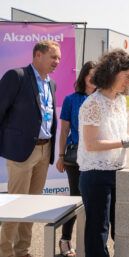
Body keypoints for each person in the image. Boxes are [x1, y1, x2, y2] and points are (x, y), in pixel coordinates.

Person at [77, 49, 129, 257]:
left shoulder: (120, 100)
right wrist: (125, 142)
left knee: (121, 227)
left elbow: (118, 132)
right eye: (127, 76)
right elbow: (91, 144)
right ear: (112, 72)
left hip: (118, 171)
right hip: (96, 174)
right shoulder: (93, 103)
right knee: (97, 231)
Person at [0, 40, 61, 257]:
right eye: (53, 57)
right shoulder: (16, 76)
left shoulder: (51, 84)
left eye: (59, 58)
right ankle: (5, 252)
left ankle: (22, 251)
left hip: (45, 151)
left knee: (31, 205)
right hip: (22, 152)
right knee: (16, 205)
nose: (57, 62)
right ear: (37, 55)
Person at [55, 61, 96, 257]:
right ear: (84, 76)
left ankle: (89, 244)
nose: (93, 78)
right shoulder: (71, 99)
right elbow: (64, 130)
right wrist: (61, 156)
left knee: (94, 202)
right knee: (76, 199)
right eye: (91, 74)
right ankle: (65, 239)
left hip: (98, 157)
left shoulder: (103, 99)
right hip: (75, 156)